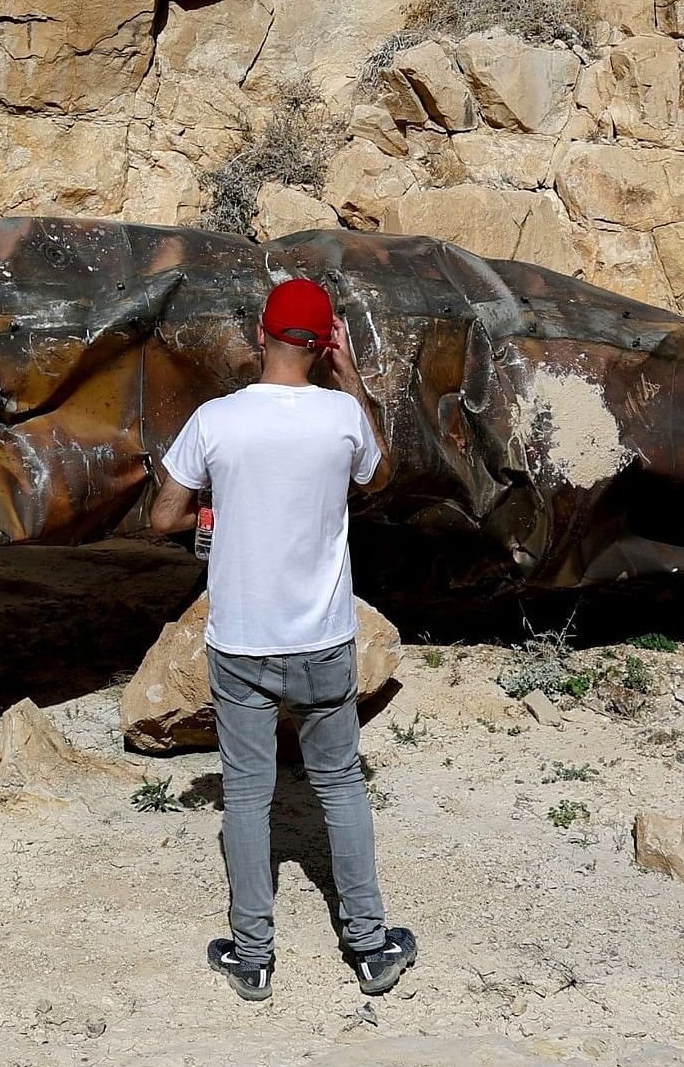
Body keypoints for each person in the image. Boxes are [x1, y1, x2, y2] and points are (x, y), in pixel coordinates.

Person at [145, 275, 414, 1005]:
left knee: (248, 793)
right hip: (324, 639)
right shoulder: (340, 418)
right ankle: (368, 945)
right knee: (340, 787)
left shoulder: (217, 419)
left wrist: (212, 509)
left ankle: (253, 955)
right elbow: (380, 473)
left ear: (259, 335)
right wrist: (353, 379)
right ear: (323, 343)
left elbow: (163, 516)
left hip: (241, 642)